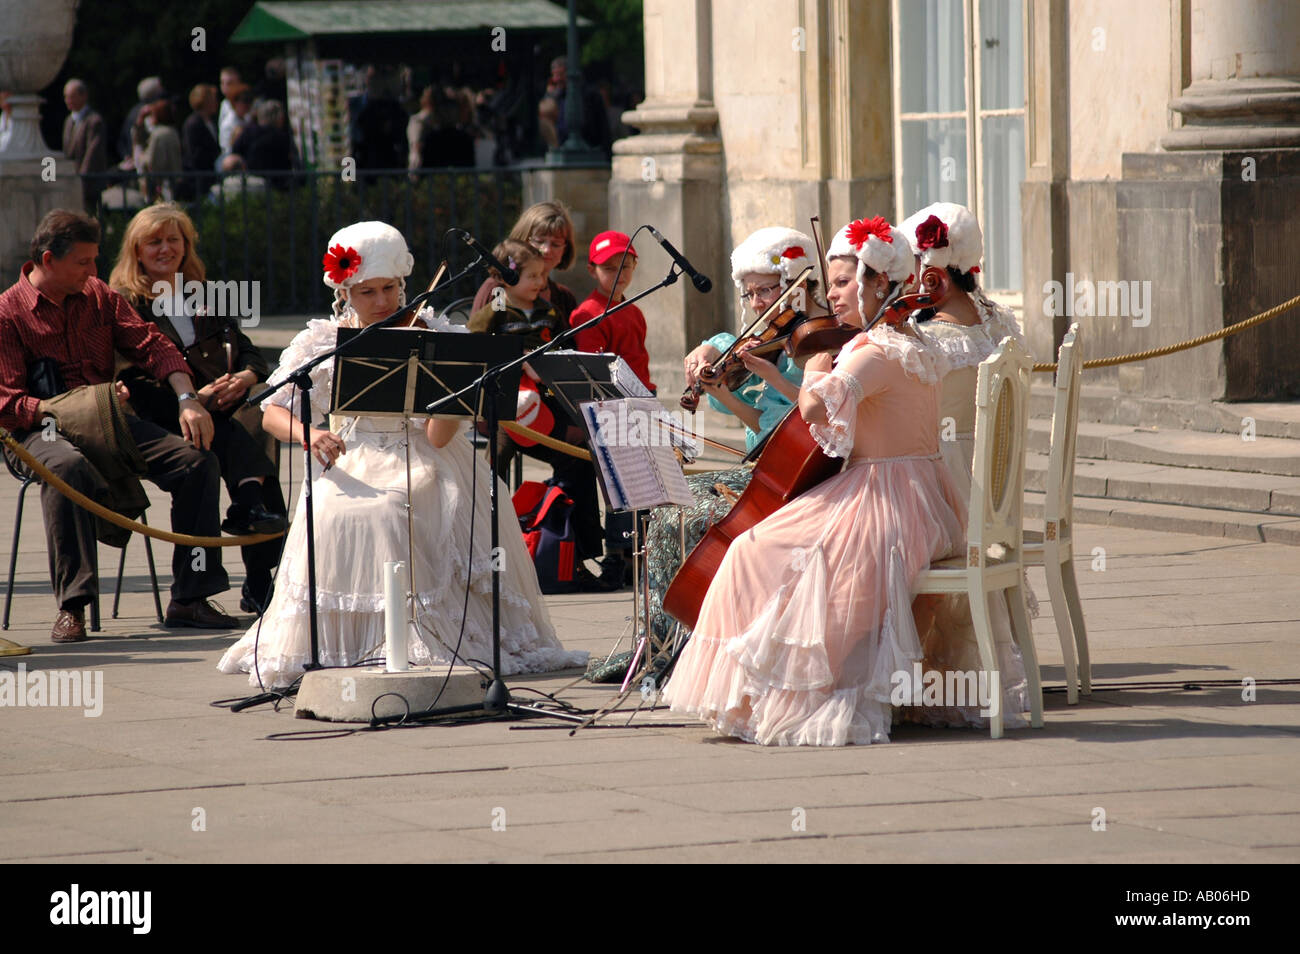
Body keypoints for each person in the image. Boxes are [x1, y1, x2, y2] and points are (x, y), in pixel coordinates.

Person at [663, 216, 1025, 745]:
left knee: (752, 548)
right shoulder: (917, 343)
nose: (830, 297)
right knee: (774, 543)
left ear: (880, 284)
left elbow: (814, 410)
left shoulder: (874, 350)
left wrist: (813, 365)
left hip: (883, 498)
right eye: (830, 283)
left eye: (840, 283)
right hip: (927, 495)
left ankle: (787, 692)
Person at [218, 222, 587, 687]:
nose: (381, 302)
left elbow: (435, 438)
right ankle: (346, 642)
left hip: (426, 455)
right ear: (345, 290)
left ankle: (412, 635)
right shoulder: (322, 341)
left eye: (389, 289)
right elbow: (272, 413)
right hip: (353, 452)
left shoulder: (430, 329)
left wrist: (457, 397)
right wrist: (309, 434)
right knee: (332, 507)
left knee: (399, 504)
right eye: (366, 291)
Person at [0, 209, 237, 642]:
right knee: (66, 468)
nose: (94, 270)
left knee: (196, 460)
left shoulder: (100, 296)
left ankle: (191, 597)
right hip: (40, 430)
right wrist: (77, 406)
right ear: (48, 260)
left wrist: (187, 400)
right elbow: (6, 402)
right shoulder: (7, 314)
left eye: (95, 260)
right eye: (84, 262)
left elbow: (152, 344)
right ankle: (73, 606)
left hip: (110, 424)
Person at [109, 202, 287, 613]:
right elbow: (129, 376)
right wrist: (192, 398)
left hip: (218, 409)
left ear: (187, 246)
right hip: (161, 415)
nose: (165, 248)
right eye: (154, 241)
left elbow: (250, 354)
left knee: (257, 418)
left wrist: (243, 379)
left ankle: (252, 529)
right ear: (136, 250)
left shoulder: (205, 294)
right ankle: (256, 556)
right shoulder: (124, 303)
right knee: (244, 434)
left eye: (175, 240)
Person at [682, 227, 817, 452]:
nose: (755, 304)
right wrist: (710, 349)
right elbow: (742, 375)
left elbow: (777, 433)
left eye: (763, 291)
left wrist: (726, 397)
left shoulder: (814, 346)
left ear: (799, 287)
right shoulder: (779, 341)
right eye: (749, 294)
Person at [469, 201, 579, 320]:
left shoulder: (564, 297)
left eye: (556, 244)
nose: (547, 250)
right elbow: (477, 334)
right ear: (522, 239)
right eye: (539, 241)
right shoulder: (497, 287)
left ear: (566, 249)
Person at [61, 79, 108, 210]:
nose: (68, 100)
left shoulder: (94, 120)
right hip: (73, 180)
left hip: (89, 184)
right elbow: (67, 152)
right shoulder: (69, 121)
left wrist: (81, 179)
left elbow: (92, 153)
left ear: (83, 96)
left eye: (72, 97)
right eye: (66, 97)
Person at [181, 84, 221, 195]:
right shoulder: (193, 123)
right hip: (198, 178)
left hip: (209, 175)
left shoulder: (210, 122)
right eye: (213, 100)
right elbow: (193, 153)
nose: (216, 103)